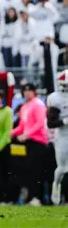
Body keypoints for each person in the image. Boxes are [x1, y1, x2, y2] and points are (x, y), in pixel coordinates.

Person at [11, 83, 48, 205]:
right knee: (29, 170)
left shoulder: (38, 104)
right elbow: (22, 126)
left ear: (34, 92)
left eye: (29, 91)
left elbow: (40, 123)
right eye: (25, 91)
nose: (27, 93)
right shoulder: (24, 107)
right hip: (28, 142)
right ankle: (32, 196)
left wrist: (27, 134)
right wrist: (12, 132)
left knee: (36, 170)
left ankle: (37, 197)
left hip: (38, 141)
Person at [46, 70, 68, 205]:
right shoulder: (56, 98)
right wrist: (65, 121)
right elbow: (50, 123)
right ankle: (56, 184)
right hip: (63, 135)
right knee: (62, 168)